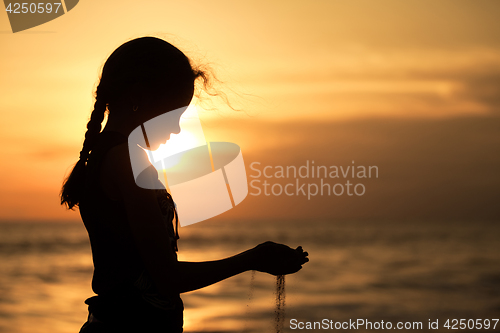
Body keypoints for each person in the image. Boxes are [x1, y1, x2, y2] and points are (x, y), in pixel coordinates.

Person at [60, 36, 309, 333]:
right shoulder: (126, 161)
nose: (177, 129)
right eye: (174, 114)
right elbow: (166, 278)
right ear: (139, 98)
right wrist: (252, 258)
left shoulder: (106, 156)